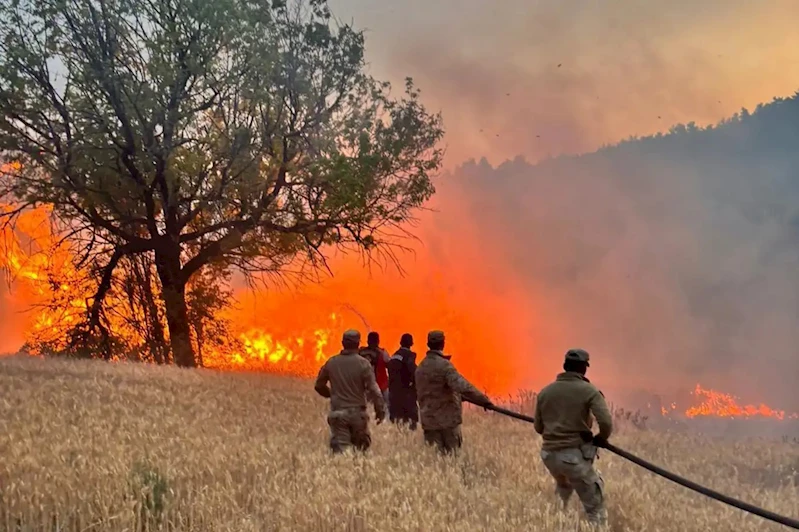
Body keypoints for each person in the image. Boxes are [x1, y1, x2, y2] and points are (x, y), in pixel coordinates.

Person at [534, 348, 613, 526]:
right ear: (584, 369)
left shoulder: (545, 392)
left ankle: (555, 525)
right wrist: (601, 437)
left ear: (564, 366)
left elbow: (539, 427)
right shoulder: (589, 391)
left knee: (563, 491)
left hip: (549, 456)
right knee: (595, 508)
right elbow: (606, 423)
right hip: (574, 457)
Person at [415, 330, 493, 454]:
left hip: (429, 423)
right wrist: (483, 400)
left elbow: (429, 391)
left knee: (434, 463)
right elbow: (463, 386)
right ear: (442, 344)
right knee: (453, 461)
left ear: (428, 344)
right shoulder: (445, 366)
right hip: (447, 423)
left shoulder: (420, 368)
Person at [314, 329, 386, 454]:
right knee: (361, 453)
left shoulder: (331, 362)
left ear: (343, 343)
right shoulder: (364, 364)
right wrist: (380, 410)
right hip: (358, 415)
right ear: (358, 343)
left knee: (341, 455)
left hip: (338, 414)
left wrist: (332, 394)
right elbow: (374, 390)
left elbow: (319, 385)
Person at [387, 333, 419, 429]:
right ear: (411, 343)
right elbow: (413, 373)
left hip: (393, 393)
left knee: (396, 423)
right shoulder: (408, 356)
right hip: (406, 394)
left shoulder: (393, 356)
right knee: (411, 423)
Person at [359, 331, 390, 415]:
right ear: (378, 341)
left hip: (364, 387)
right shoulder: (382, 353)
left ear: (368, 341)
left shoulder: (360, 353)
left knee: (366, 409)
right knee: (385, 407)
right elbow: (390, 365)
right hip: (381, 386)